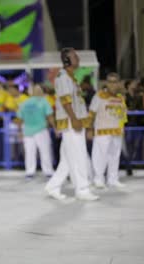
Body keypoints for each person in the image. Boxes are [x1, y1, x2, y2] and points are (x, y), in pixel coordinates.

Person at [44, 48, 99, 201]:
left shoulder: (71, 77)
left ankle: (53, 186)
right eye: (74, 56)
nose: (78, 58)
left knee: (68, 159)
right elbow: (65, 101)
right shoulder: (63, 77)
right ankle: (82, 189)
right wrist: (74, 119)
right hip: (70, 122)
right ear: (67, 60)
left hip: (74, 121)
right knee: (79, 155)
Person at [88, 73, 127, 189]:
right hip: (102, 131)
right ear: (106, 83)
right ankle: (98, 179)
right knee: (100, 155)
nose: (112, 84)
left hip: (117, 131)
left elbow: (122, 115)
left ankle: (113, 179)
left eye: (115, 81)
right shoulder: (99, 95)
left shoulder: (120, 97)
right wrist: (89, 129)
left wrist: (122, 128)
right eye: (110, 81)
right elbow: (91, 113)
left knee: (115, 156)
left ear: (119, 83)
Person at [17, 84, 56, 180]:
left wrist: (20, 131)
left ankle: (33, 172)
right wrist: (55, 127)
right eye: (37, 90)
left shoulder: (24, 102)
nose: (39, 92)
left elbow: (19, 118)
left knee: (33, 152)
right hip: (36, 131)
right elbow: (50, 116)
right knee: (43, 151)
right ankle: (46, 172)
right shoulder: (43, 101)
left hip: (33, 131)